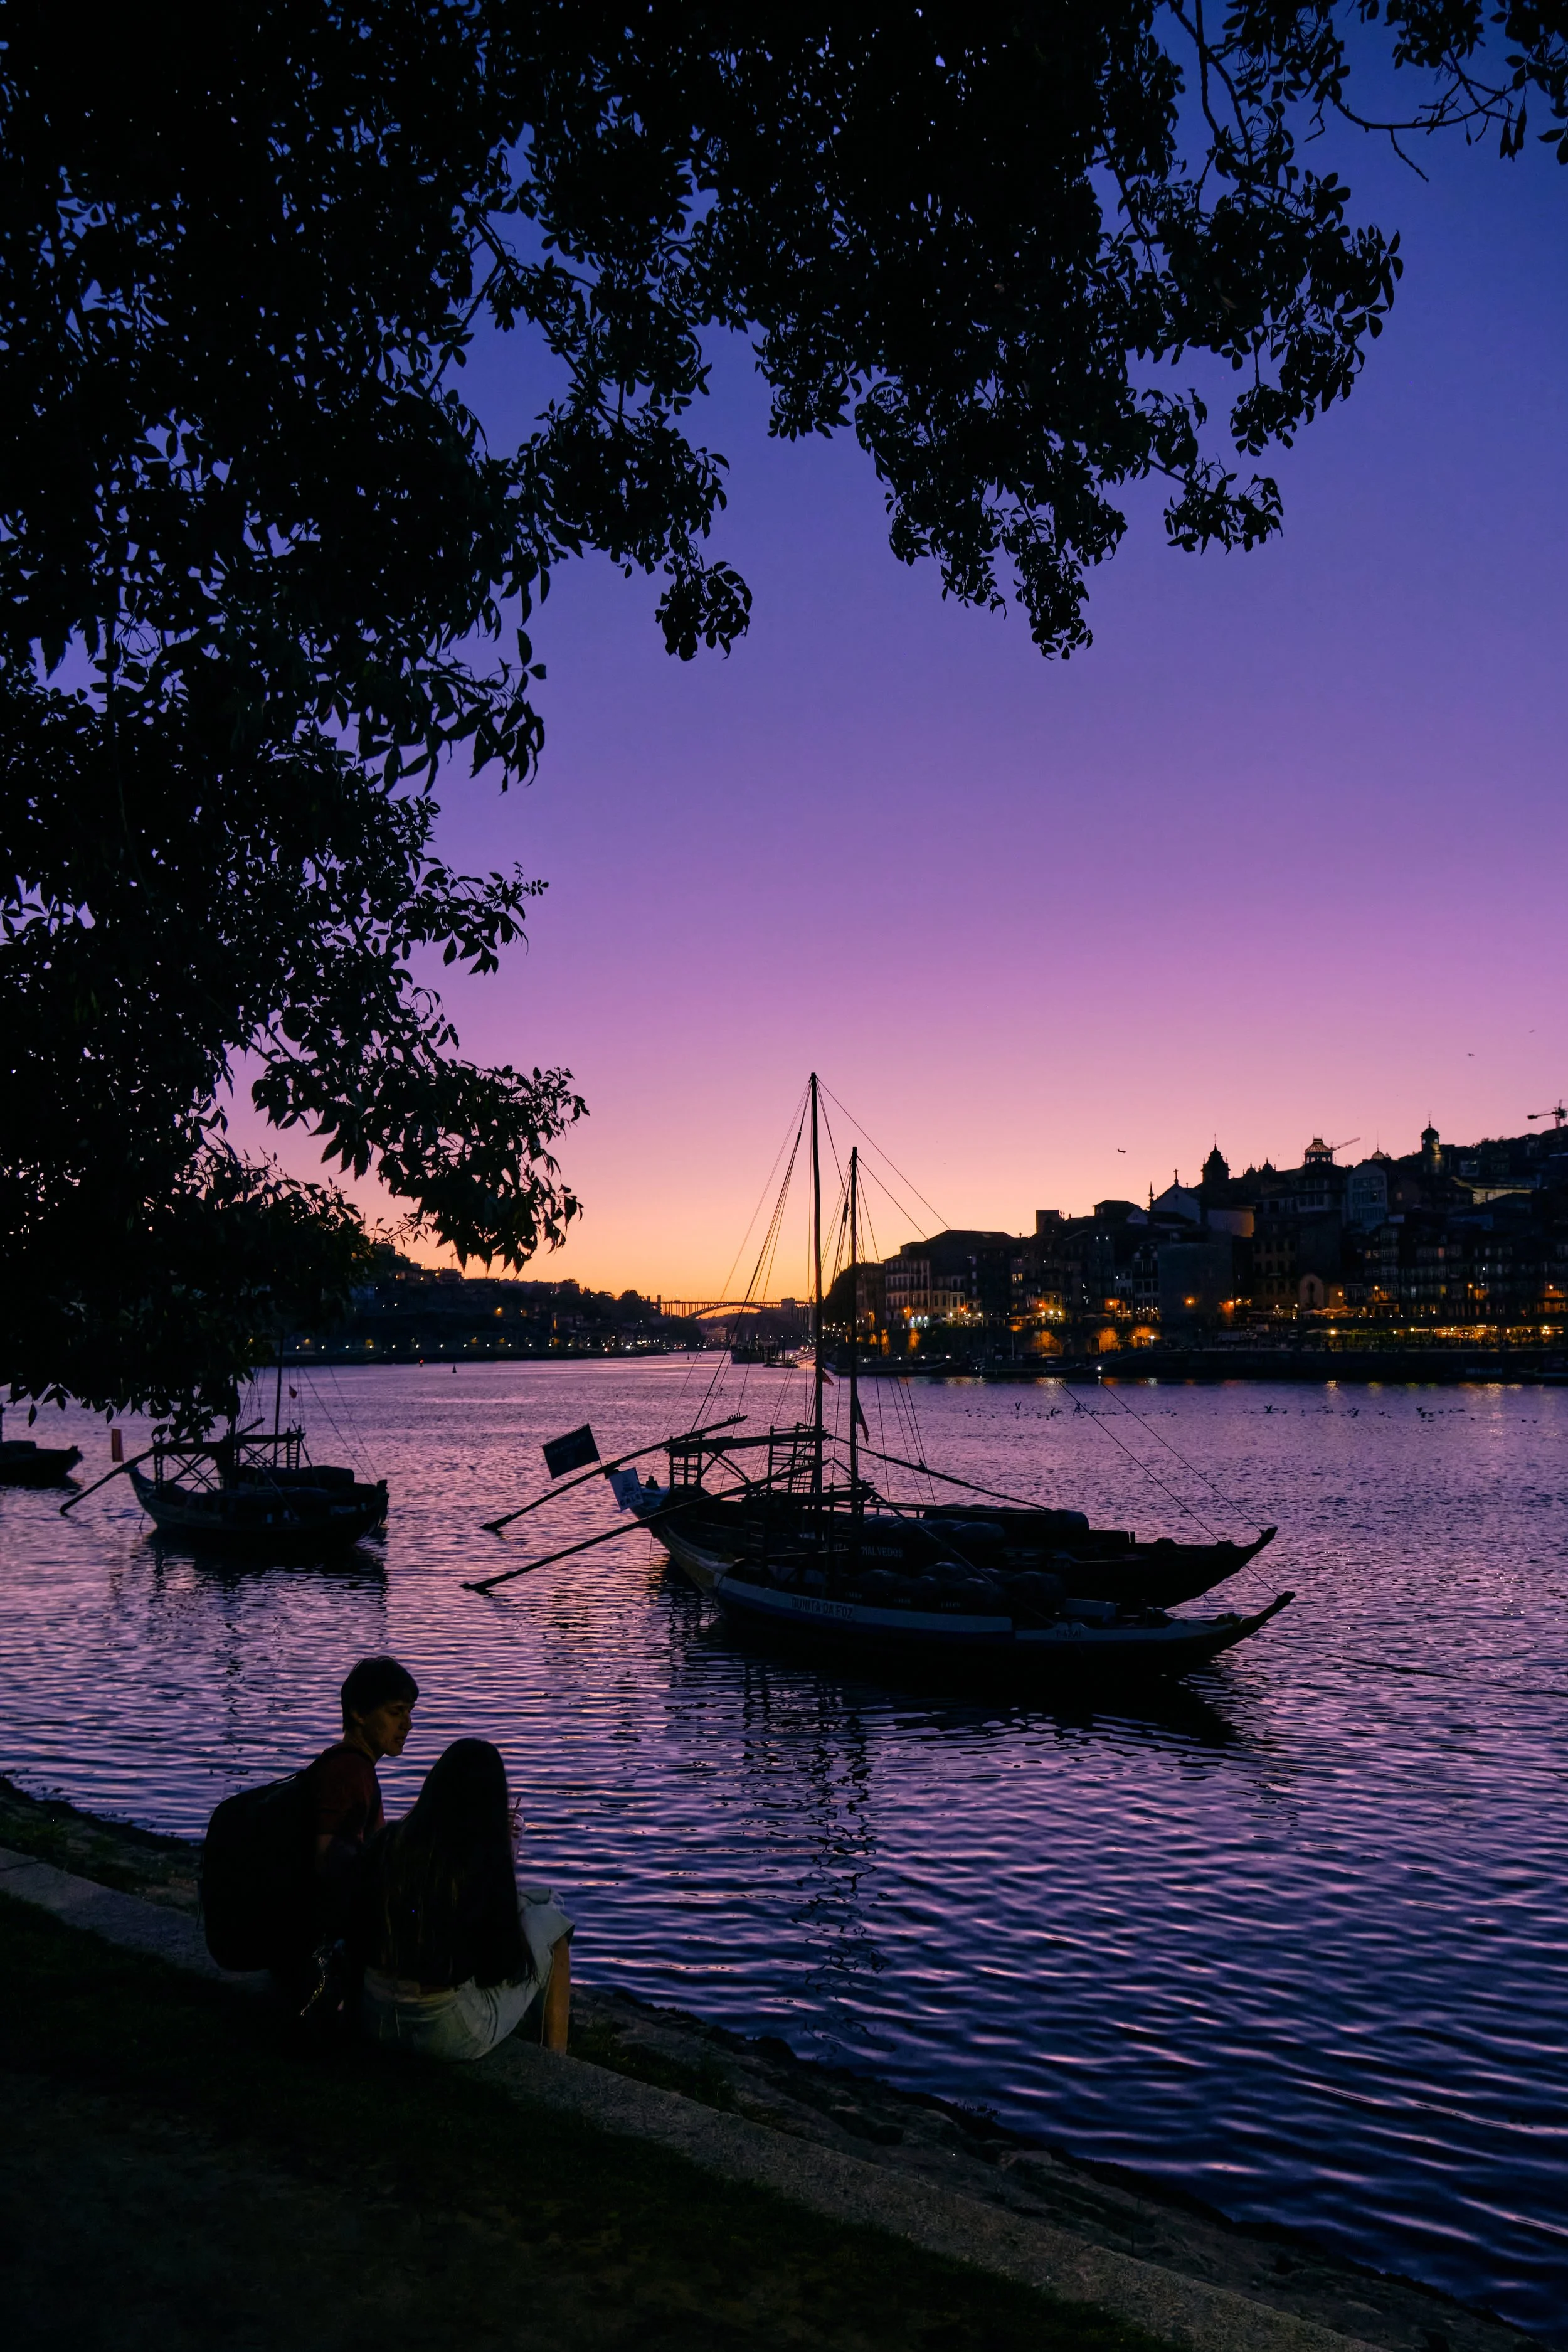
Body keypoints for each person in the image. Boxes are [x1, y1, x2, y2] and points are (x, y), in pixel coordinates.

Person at [354, 1738, 572, 2062]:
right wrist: (502, 1859)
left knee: (540, 1902)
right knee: (554, 1927)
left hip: (374, 2013)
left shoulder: (389, 1841)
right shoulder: (478, 1863)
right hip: (443, 2029)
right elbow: (500, 1962)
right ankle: (558, 2062)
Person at [309, 1654, 419, 1935]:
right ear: (359, 1713)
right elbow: (328, 1861)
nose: (408, 1724)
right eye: (396, 1712)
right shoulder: (351, 1771)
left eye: (409, 1711)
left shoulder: (347, 1764)